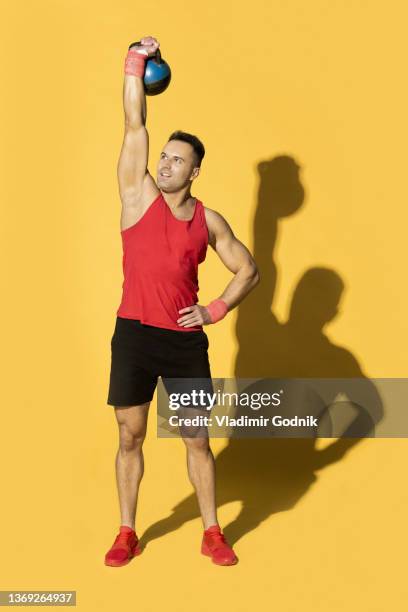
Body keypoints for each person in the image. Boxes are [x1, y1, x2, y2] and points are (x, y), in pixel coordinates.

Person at [104, 36, 260, 567]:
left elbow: (249, 269)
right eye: (164, 156)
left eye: (177, 160)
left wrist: (215, 309)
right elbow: (134, 125)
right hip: (134, 335)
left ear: (195, 171)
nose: (166, 164)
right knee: (131, 434)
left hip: (183, 343)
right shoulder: (136, 195)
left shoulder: (207, 220)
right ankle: (127, 531)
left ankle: (212, 531)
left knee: (196, 437)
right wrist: (135, 61)